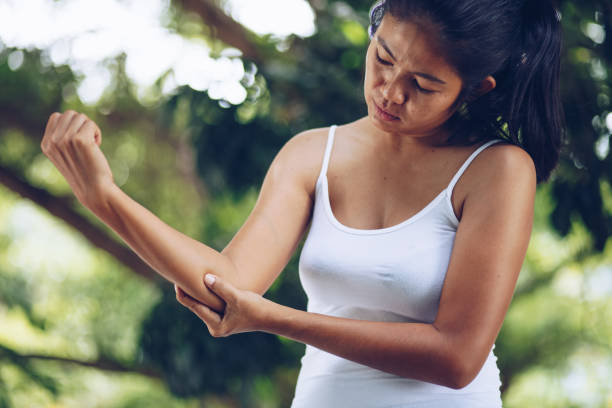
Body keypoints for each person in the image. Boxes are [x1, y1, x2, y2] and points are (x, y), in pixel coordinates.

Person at [40, 0, 564, 406]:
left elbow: (456, 356)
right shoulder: (313, 153)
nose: (389, 91)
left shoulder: (497, 170)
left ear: (474, 90)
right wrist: (104, 198)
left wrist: (277, 319)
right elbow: (225, 282)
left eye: (422, 85)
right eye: (382, 58)